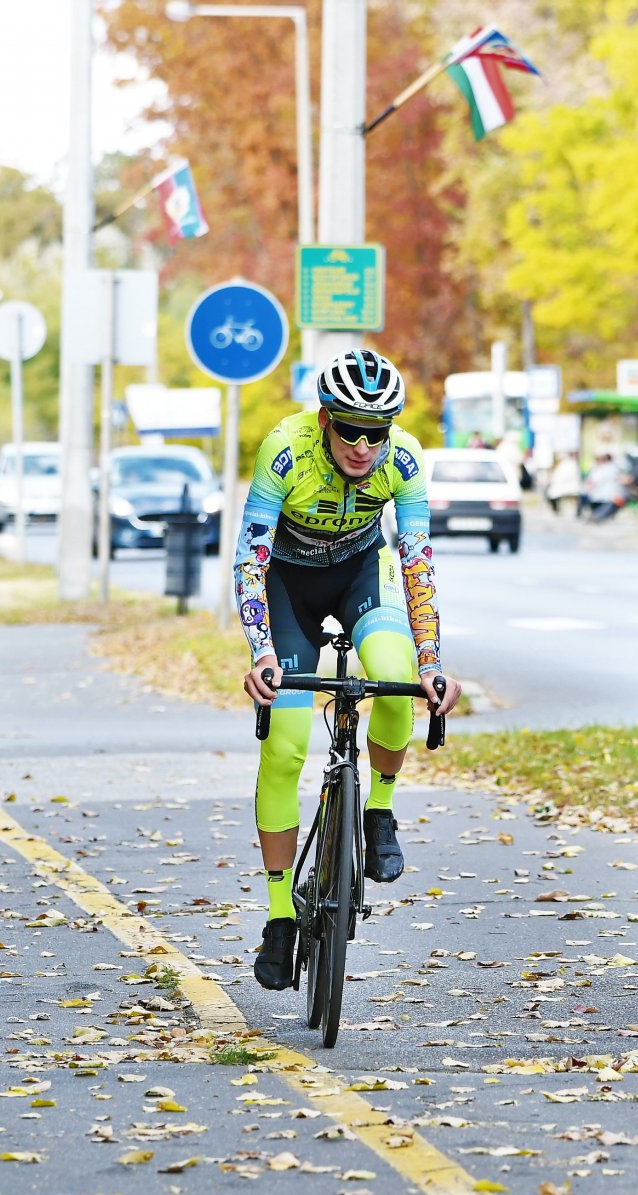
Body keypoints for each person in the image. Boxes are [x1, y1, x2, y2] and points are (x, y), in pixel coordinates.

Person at [236, 348, 464, 991]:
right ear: (325, 418)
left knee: (394, 685)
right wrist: (261, 650)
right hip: (288, 589)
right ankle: (281, 916)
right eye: (350, 430)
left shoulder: (406, 460)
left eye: (378, 432)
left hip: (364, 575)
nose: (364, 446)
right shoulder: (286, 450)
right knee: (284, 747)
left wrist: (432, 663)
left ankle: (379, 812)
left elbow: (416, 562)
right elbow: (250, 558)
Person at [543, 451, 582, 516]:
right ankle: (556, 509)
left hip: (568, 486)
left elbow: (561, 478)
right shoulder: (564, 464)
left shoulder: (569, 464)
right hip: (563, 485)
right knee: (550, 492)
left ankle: (556, 510)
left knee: (552, 493)